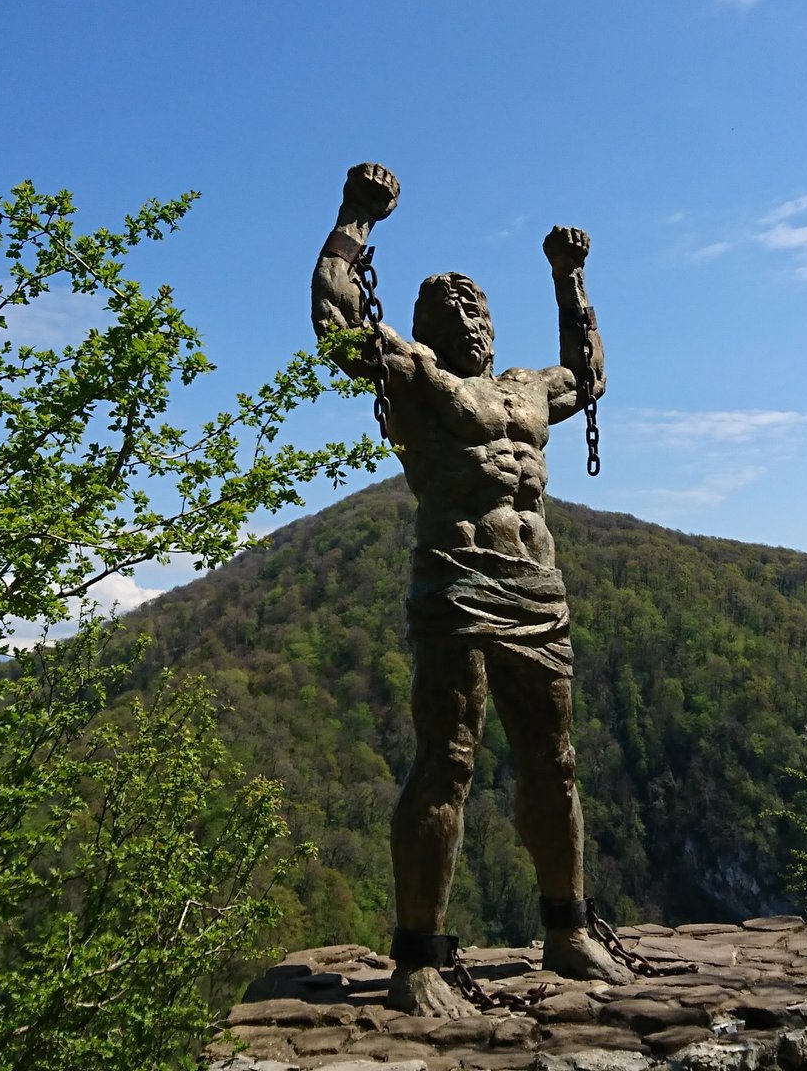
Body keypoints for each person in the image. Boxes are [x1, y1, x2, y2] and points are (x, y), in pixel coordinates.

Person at [311, 162, 632, 1017]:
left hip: (538, 583)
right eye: (453, 312)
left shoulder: (526, 389)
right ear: (424, 324)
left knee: (553, 761)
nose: (472, 321)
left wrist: (571, 280)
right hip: (455, 577)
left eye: (480, 308)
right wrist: (356, 218)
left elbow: (589, 374)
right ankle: (418, 958)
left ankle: (568, 929)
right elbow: (336, 314)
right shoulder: (414, 374)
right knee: (448, 760)